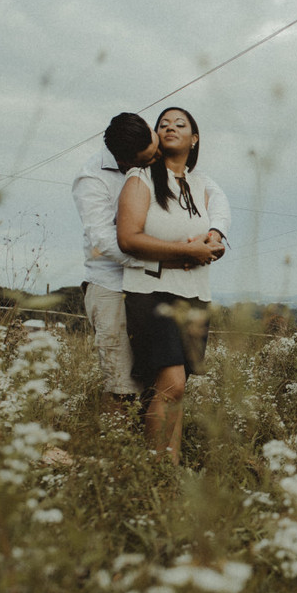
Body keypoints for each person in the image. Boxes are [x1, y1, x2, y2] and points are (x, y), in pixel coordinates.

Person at [71, 112, 231, 416]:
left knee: (157, 384)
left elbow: (214, 194)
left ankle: (149, 458)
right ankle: (113, 454)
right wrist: (174, 257)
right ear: (127, 161)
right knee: (121, 387)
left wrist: (215, 233)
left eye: (157, 147)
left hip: (152, 288)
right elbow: (109, 242)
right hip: (112, 286)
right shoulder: (92, 179)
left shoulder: (148, 149)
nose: (157, 157)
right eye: (148, 157)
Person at [117, 107, 224, 464]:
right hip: (153, 293)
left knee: (176, 389)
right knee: (172, 383)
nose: (170, 128)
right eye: (163, 124)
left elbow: (214, 228)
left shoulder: (199, 184)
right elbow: (128, 239)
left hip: (194, 294)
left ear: (194, 139)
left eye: (180, 124)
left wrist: (213, 244)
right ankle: (157, 472)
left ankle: (169, 468)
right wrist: (186, 250)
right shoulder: (140, 178)